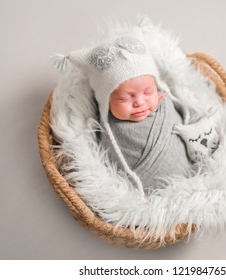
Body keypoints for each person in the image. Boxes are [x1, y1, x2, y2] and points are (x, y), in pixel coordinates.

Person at [65, 34, 192, 192]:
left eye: (148, 92)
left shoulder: (165, 103)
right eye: (125, 98)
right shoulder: (110, 129)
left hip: (192, 173)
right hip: (152, 193)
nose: (139, 102)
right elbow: (110, 165)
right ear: (107, 102)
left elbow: (185, 123)